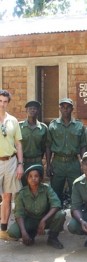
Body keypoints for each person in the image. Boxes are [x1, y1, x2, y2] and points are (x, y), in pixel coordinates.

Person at [7, 164, 65, 248]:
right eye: (30, 176)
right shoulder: (21, 193)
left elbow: (56, 204)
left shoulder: (46, 189)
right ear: (27, 179)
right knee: (13, 232)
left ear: (40, 178)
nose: (33, 178)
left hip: (45, 218)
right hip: (30, 220)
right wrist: (24, 233)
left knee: (61, 214)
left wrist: (43, 220)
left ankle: (52, 238)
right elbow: (19, 213)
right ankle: (31, 233)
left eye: (36, 176)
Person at [46, 98, 87, 206]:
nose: (65, 109)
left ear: (72, 109)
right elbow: (48, 146)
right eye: (63, 107)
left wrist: (83, 163)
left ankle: (76, 219)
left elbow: (83, 145)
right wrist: (48, 164)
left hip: (73, 162)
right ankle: (56, 218)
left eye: (68, 107)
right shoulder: (53, 125)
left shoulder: (79, 125)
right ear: (59, 109)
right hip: (57, 162)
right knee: (55, 193)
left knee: (76, 191)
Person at [0, 89, 24, 240]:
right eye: (0, 101)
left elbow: (18, 144)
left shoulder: (13, 120)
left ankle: (3, 230)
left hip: (10, 161)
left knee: (7, 197)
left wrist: (20, 164)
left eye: (5, 102)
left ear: (8, 103)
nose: (2, 104)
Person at [19, 100, 48, 185]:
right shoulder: (19, 127)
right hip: (23, 162)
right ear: (26, 110)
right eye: (30, 108)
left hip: (37, 161)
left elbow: (45, 146)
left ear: (38, 111)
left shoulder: (43, 128)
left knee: (37, 186)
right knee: (23, 186)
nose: (32, 110)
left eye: (35, 108)